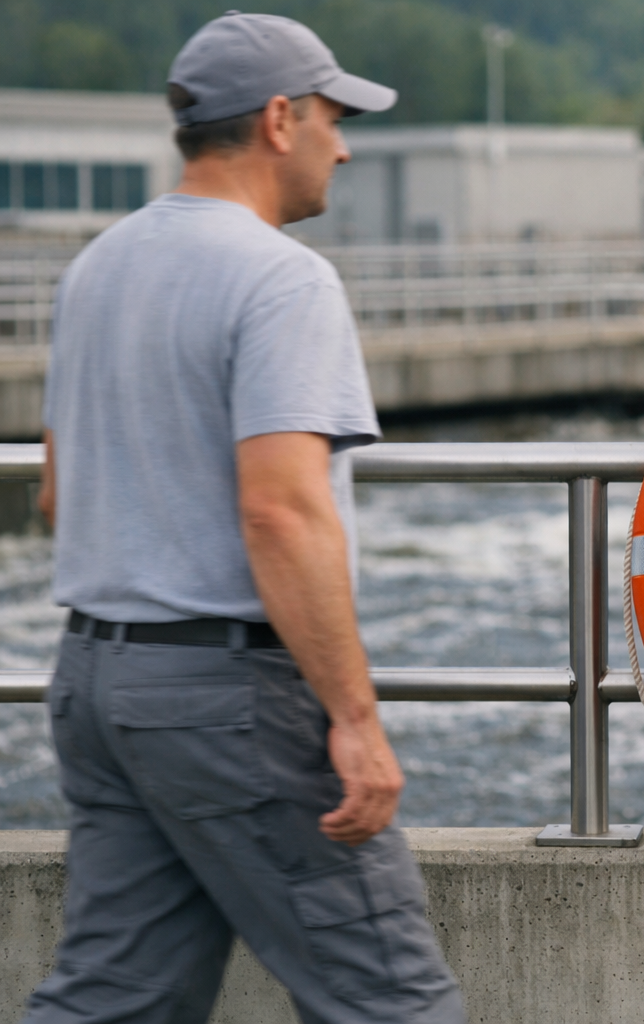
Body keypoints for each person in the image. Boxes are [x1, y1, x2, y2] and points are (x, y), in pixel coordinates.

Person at [25, 13, 464, 1024]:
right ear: (279, 119)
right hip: (230, 698)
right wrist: (354, 720)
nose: (344, 146)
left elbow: (57, 494)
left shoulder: (96, 269)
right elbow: (280, 510)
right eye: (333, 119)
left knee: (117, 999)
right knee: (393, 1003)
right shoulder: (282, 278)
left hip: (98, 682)